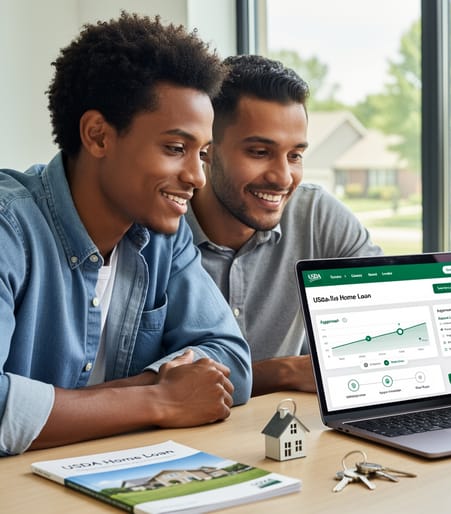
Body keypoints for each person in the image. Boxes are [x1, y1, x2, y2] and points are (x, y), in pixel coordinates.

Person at [0, 13, 253, 456]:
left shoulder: (162, 235)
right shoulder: (9, 229)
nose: (197, 177)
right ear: (98, 135)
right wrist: (159, 398)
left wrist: (135, 396)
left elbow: (232, 359)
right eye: (176, 149)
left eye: (204, 154)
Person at [187, 54, 381, 396]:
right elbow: (165, 384)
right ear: (208, 151)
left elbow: (390, 318)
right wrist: (282, 372)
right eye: (260, 152)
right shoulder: (161, 228)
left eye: (295, 155)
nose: (283, 177)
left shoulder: (315, 214)